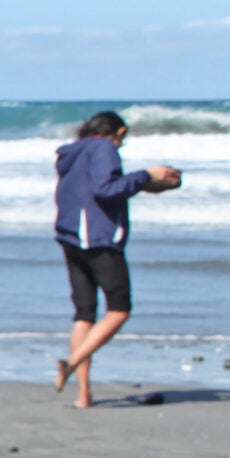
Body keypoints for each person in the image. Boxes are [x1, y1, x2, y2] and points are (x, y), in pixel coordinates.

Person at [53, 110, 182, 408]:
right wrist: (146, 175)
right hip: (98, 239)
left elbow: (93, 187)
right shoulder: (104, 148)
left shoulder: (72, 152)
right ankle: (71, 362)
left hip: (69, 236)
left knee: (85, 314)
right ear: (120, 132)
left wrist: (142, 184)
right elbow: (105, 189)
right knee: (119, 309)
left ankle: (83, 396)